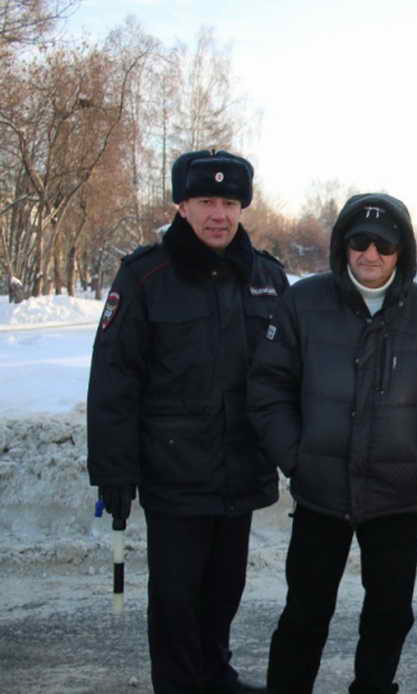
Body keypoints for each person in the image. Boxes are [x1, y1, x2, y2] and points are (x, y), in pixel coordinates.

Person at [247, 192, 417, 694]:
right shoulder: (303, 303)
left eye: (384, 245)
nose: (370, 255)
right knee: (306, 611)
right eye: (359, 242)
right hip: (320, 490)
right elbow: (268, 388)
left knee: (390, 614)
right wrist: (295, 457)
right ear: (342, 245)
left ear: (402, 252)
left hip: (394, 493)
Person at [87, 149, 288, 694]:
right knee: (176, 596)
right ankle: (179, 684)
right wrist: (114, 468)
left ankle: (214, 675)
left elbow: (291, 374)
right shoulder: (146, 275)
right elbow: (114, 377)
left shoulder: (268, 278)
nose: (218, 214)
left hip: (242, 464)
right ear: (182, 205)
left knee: (226, 588)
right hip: (173, 467)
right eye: (205, 201)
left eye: (229, 202)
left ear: (243, 207)